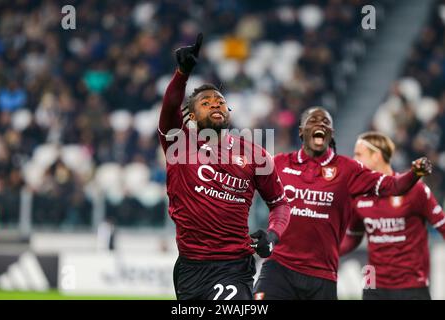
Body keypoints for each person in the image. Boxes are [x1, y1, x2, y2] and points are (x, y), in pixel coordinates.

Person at [158, 33, 290, 300]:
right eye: (205, 103)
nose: (215, 104)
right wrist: (182, 73)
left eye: (219, 102)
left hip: (233, 266)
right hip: (189, 268)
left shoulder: (255, 154)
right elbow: (171, 105)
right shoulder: (180, 144)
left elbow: (280, 203)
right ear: (192, 116)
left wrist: (272, 236)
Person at [253, 107, 432, 300]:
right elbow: (243, 186)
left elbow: (393, 186)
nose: (321, 123)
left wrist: (415, 174)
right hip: (280, 268)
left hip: (321, 275)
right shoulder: (279, 164)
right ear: (301, 130)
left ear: (331, 134)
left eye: (326, 122)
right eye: (314, 120)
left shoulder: (349, 170)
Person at [339, 131, 445, 300]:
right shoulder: (358, 195)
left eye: (359, 154)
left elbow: (442, 226)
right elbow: (353, 237)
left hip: (411, 286)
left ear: (377, 156)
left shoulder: (416, 190)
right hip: (373, 284)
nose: (354, 160)